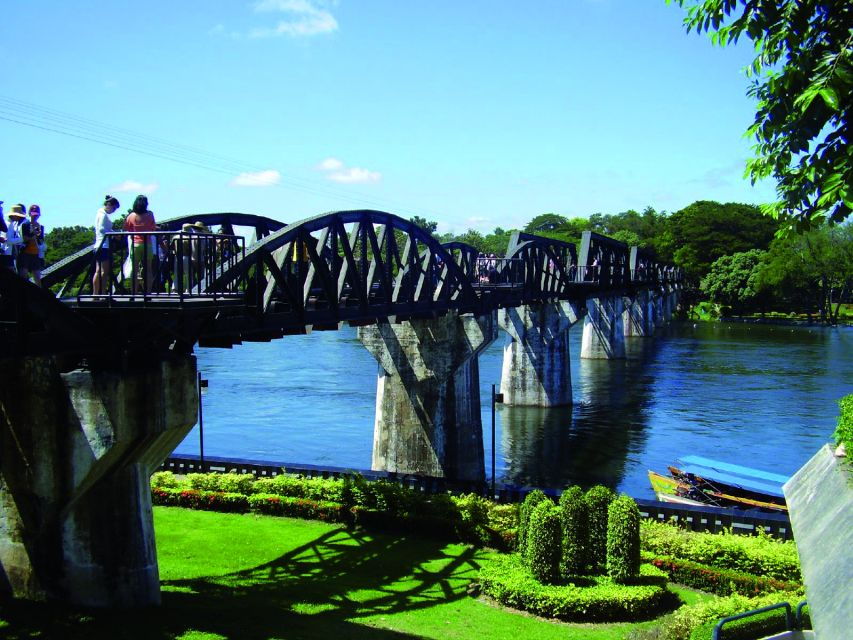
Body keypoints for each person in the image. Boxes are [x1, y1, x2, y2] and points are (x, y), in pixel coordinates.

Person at [123, 195, 157, 293]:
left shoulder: (131, 216)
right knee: (148, 269)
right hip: (147, 243)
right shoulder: (150, 214)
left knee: (135, 269)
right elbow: (153, 228)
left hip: (135, 244)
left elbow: (126, 228)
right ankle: (148, 292)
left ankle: (133, 292)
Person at [92, 195, 120, 295]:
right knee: (103, 271)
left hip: (98, 245)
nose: (113, 211)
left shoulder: (99, 213)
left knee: (98, 271)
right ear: (109, 205)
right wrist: (113, 234)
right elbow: (102, 230)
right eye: (114, 208)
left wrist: (112, 232)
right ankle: (102, 293)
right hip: (104, 245)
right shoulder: (103, 215)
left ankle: (95, 294)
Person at [18, 204, 44, 286]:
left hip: (35, 254)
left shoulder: (40, 226)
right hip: (25, 253)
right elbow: (25, 238)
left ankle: (39, 296)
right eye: (33, 211)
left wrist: (38, 233)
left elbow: (40, 241)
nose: (35, 214)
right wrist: (33, 233)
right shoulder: (25, 224)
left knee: (38, 278)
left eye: (37, 212)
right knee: (23, 276)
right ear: (29, 213)